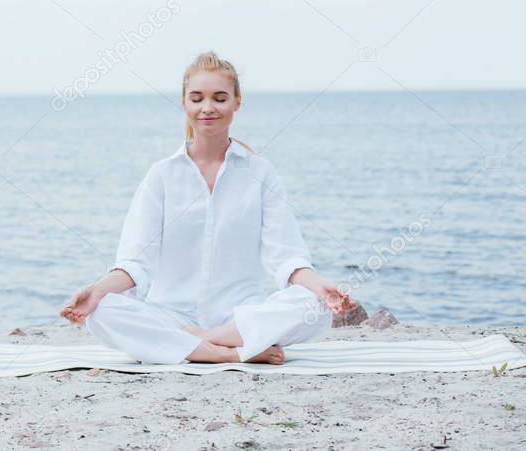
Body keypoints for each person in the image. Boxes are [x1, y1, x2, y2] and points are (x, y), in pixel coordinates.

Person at [60, 51, 357, 365]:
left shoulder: (260, 173)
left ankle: (197, 344)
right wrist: (97, 289)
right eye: (197, 98)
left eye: (219, 98)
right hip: (171, 316)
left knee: (315, 306)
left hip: (239, 319)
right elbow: (135, 263)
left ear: (236, 102)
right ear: (185, 103)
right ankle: (226, 354)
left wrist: (320, 286)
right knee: (102, 310)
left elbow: (285, 257)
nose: (207, 108)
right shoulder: (161, 176)